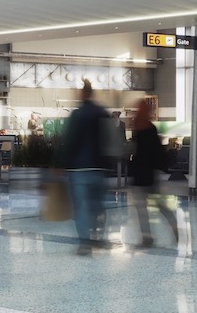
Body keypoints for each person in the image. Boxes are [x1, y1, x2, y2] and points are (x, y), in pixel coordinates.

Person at [57, 80, 116, 255]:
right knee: (98, 205)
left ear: (83, 94)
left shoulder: (77, 114)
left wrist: (60, 163)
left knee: (81, 207)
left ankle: (85, 243)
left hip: (79, 169)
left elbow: (69, 141)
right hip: (100, 169)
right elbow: (111, 140)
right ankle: (99, 237)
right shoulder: (103, 113)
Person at [127, 98, 177, 249]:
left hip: (141, 176)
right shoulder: (150, 128)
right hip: (149, 175)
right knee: (159, 205)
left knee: (142, 208)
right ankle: (173, 226)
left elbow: (139, 153)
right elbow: (157, 153)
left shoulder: (140, 128)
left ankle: (147, 237)